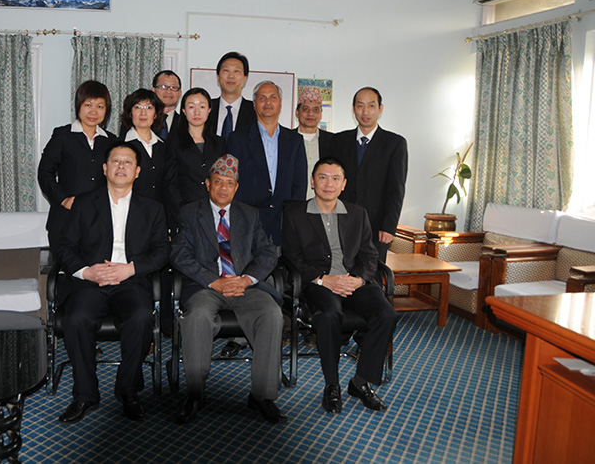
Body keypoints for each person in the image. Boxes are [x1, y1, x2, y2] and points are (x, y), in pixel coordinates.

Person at [56, 141, 170, 423]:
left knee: (142, 316)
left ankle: (128, 389)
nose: (121, 166)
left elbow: (162, 252)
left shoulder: (153, 208)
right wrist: (86, 271)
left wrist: (129, 269)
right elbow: (65, 248)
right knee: (76, 318)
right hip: (90, 283)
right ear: (105, 168)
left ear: (138, 171)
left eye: (128, 162)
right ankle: (84, 394)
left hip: (130, 282)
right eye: (115, 161)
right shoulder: (83, 203)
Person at [170, 154, 285, 425]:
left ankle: (262, 396)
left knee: (271, 314)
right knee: (197, 317)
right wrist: (213, 280)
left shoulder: (249, 213)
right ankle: (196, 394)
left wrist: (247, 279)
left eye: (229, 183)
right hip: (207, 285)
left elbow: (269, 252)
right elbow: (179, 254)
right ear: (207, 184)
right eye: (218, 182)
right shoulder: (189, 213)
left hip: (244, 285)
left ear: (236, 187)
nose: (224, 188)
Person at [281, 157, 397, 414]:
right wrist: (324, 279)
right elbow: (291, 258)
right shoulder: (295, 214)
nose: (329, 184)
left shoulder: (357, 214)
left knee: (386, 313)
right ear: (313, 182)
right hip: (318, 284)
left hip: (353, 282)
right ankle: (331, 385)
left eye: (335, 179)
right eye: (322, 177)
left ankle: (361, 382)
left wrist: (357, 279)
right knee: (329, 315)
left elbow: (369, 254)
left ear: (344, 184)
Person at [38, 80, 117, 259]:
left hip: (100, 221)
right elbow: (45, 172)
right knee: (68, 275)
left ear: (106, 110)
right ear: (78, 105)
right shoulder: (62, 136)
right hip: (66, 219)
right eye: (88, 105)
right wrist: (62, 199)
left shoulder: (112, 141)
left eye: (99, 106)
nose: (93, 111)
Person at [329, 87, 408, 262]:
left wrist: (389, 227)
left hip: (376, 227)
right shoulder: (339, 141)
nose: (365, 112)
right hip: (341, 223)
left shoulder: (395, 144)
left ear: (380, 109)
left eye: (371, 106)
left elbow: (396, 189)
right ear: (353, 109)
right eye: (360, 106)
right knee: (340, 276)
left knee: (372, 280)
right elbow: (331, 183)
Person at [227, 80, 307, 246]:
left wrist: (294, 219)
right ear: (255, 105)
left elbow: (299, 184)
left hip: (284, 224)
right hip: (249, 224)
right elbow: (233, 182)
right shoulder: (238, 139)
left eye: (273, 97)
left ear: (280, 104)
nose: (268, 102)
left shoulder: (295, 141)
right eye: (262, 98)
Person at [166, 87, 227, 226]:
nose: (197, 112)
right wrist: (182, 212)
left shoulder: (219, 143)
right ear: (183, 111)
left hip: (215, 216)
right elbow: (170, 184)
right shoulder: (174, 142)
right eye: (191, 107)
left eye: (202, 106)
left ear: (209, 110)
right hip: (185, 214)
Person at [120, 88, 174, 208]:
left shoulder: (163, 147)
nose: (143, 113)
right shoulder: (120, 146)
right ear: (130, 113)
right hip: (129, 211)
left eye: (149, 108)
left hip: (158, 213)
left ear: (155, 114)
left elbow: (169, 185)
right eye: (138, 107)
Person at [206, 52, 256, 139]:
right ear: (218, 77)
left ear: (245, 79)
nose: (231, 76)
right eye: (226, 71)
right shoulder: (205, 108)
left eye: (236, 71)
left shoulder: (256, 111)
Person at [295, 87, 333, 200]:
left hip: (324, 205)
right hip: (294, 206)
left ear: (321, 113)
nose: (310, 113)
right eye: (305, 109)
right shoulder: (286, 140)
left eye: (316, 110)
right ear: (297, 113)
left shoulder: (332, 141)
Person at [152, 70, 183, 141]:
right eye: (163, 86)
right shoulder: (140, 119)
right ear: (153, 90)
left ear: (179, 93)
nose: (168, 91)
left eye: (173, 87)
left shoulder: (186, 123)